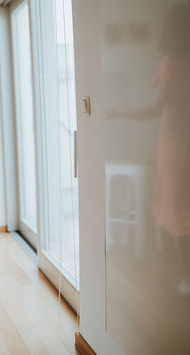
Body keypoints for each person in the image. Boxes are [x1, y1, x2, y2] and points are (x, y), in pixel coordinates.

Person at [106, 4, 190, 296]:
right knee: (180, 205)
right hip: (180, 140)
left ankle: (186, 278)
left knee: (176, 208)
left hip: (176, 142)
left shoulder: (172, 62)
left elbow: (155, 108)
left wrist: (116, 111)